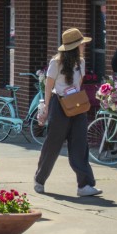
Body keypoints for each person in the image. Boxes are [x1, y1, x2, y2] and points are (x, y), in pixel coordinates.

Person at [34, 28, 101, 197]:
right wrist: (46, 106)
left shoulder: (81, 62)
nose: (83, 47)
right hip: (59, 103)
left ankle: (84, 184)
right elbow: (49, 86)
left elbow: (79, 83)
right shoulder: (56, 63)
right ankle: (40, 179)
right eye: (81, 44)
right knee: (53, 144)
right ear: (74, 47)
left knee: (80, 143)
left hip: (77, 103)